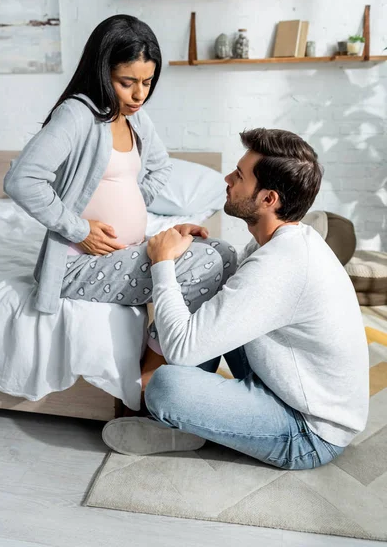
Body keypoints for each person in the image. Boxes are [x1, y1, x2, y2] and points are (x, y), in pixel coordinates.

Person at [101, 128, 369, 470]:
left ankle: (188, 424)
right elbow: (227, 292)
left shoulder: (281, 266)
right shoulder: (280, 242)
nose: (228, 179)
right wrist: (190, 250)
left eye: (239, 176)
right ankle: (201, 422)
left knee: (167, 388)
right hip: (282, 384)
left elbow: (183, 349)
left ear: (268, 199)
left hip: (308, 432)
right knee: (218, 265)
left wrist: (163, 263)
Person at [3, 14, 237, 394]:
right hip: (78, 264)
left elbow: (159, 167)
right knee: (208, 264)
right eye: (127, 83)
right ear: (101, 71)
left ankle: (181, 364)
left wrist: (137, 210)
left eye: (147, 83)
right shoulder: (77, 115)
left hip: (122, 251)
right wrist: (80, 229)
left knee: (222, 253)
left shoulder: (135, 119)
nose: (139, 95)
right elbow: (21, 180)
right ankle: (152, 370)